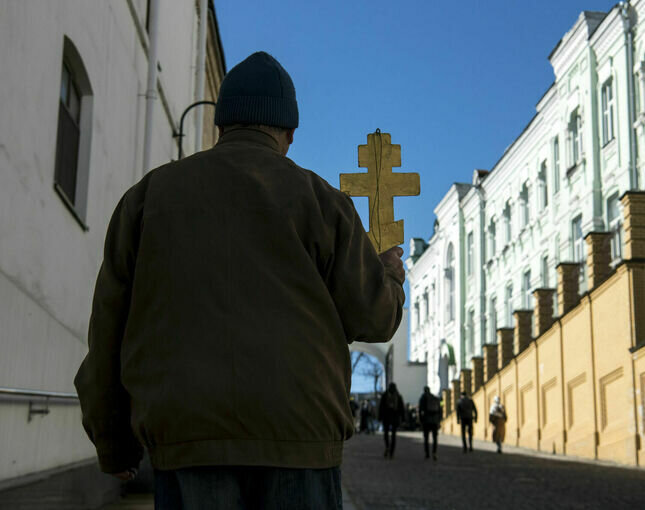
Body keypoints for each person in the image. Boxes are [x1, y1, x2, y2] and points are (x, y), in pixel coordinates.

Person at [74, 51, 405, 510]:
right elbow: (375, 317)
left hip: (189, 440)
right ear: (289, 132)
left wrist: (114, 444)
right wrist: (388, 271)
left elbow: (109, 328)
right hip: (301, 442)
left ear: (221, 124)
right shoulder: (321, 202)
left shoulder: (148, 198)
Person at [378, 383, 405, 458]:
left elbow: (381, 407)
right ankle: (392, 452)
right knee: (393, 435)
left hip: (386, 417)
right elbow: (402, 408)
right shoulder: (398, 396)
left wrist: (380, 417)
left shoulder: (385, 395)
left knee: (386, 434)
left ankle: (387, 446)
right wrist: (403, 419)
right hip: (395, 417)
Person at [418, 386, 441, 460]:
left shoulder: (423, 398)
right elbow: (440, 409)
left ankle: (427, 453)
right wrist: (439, 420)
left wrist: (421, 421)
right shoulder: (434, 397)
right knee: (435, 438)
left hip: (426, 421)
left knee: (426, 438)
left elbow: (420, 410)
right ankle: (434, 453)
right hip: (434, 420)